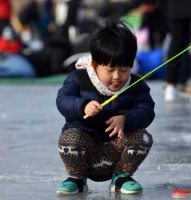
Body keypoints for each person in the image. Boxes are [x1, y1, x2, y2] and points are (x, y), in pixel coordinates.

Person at [56, 17, 155, 195]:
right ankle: (77, 178)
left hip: (117, 150)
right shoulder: (78, 78)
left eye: (124, 70)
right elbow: (63, 100)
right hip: (87, 150)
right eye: (110, 70)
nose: (117, 76)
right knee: (69, 138)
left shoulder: (136, 85)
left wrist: (126, 118)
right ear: (95, 65)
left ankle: (121, 177)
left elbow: (146, 111)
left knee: (143, 138)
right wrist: (82, 105)